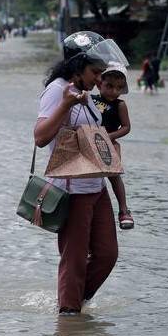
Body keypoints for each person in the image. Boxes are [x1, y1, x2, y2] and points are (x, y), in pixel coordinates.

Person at [34, 30, 128, 315]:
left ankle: (71, 303)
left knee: (107, 254)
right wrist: (65, 103)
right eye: (95, 72)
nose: (99, 80)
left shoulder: (87, 94)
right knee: (73, 259)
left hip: (96, 187)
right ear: (77, 67)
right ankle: (69, 318)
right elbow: (39, 138)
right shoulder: (57, 90)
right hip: (72, 191)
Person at [91, 63, 134, 230]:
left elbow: (126, 127)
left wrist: (109, 136)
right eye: (109, 86)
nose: (114, 91)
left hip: (109, 144)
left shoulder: (120, 105)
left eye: (119, 88)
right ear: (99, 84)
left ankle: (123, 210)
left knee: (114, 175)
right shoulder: (89, 99)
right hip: (89, 141)